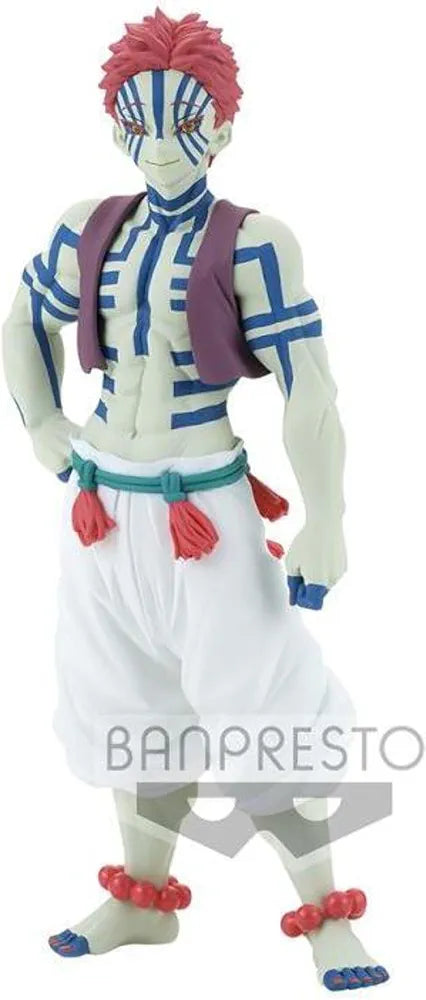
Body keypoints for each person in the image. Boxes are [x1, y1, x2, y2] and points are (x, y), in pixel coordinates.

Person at [2, 8, 389, 991]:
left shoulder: (256, 242)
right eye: (142, 123)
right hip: (99, 509)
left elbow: (310, 387)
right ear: (117, 126)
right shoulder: (87, 225)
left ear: (223, 125)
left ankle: (323, 915)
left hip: (204, 515)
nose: (164, 144)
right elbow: (25, 320)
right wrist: (43, 425)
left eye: (187, 122)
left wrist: (328, 519)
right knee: (124, 702)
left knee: (265, 709)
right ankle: (144, 897)